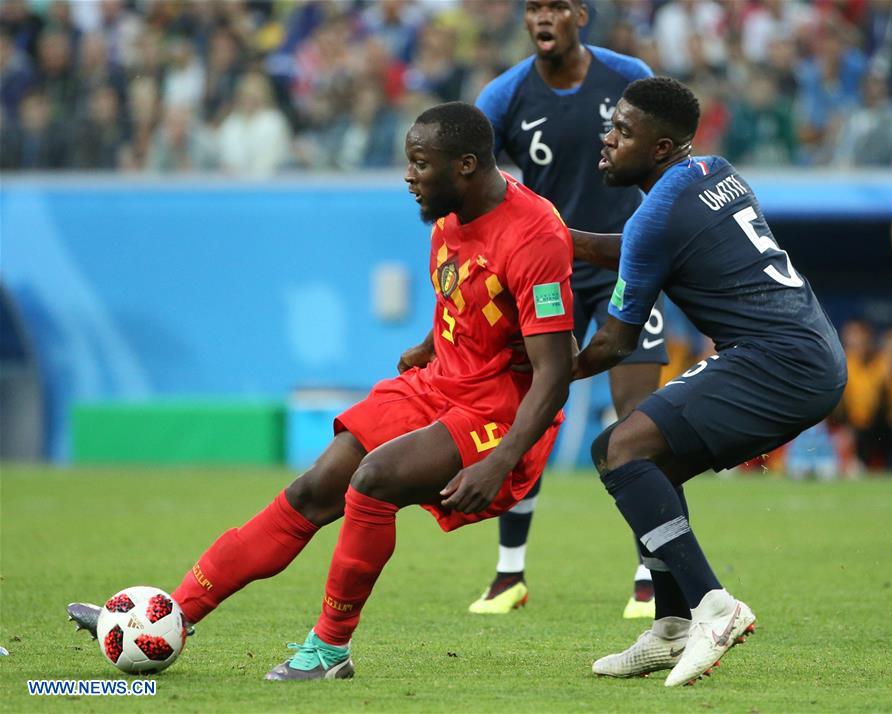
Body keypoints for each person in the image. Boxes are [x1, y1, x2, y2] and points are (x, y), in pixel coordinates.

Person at [67, 101, 576, 681]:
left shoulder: (534, 234)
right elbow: (475, 299)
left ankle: (330, 649)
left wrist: (502, 460)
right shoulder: (447, 217)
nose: (408, 177)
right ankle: (165, 618)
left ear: (464, 165)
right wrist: (430, 343)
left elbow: (553, 370)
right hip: (439, 383)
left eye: (419, 164)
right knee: (313, 488)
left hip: (499, 410)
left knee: (374, 482)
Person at [569, 76, 846, 686]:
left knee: (622, 450)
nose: (608, 140)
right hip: (808, 351)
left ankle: (713, 608)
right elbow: (646, 245)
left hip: (776, 361)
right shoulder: (715, 169)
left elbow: (614, 343)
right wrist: (570, 243)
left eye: (623, 131)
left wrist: (535, 367)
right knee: (637, 460)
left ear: (662, 148)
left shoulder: (654, 220)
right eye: (610, 126)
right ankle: (670, 628)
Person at [466, 0, 668, 618]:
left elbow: (670, 158)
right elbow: (472, 175)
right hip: (546, 274)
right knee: (528, 407)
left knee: (636, 417)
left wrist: (662, 239)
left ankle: (649, 573)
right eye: (532, 8)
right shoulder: (503, 97)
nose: (541, 18)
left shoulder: (627, 74)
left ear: (579, 15)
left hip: (626, 267)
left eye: (554, 6)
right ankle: (509, 576)